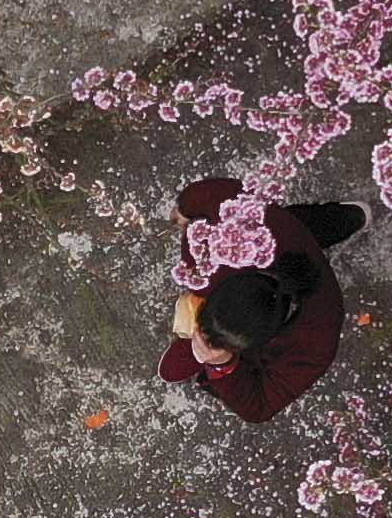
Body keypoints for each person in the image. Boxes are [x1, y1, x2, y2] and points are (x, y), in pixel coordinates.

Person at [157, 176, 368, 426]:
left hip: (288, 241)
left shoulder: (315, 343)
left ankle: (352, 217)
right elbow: (215, 193)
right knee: (306, 225)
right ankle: (351, 217)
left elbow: (258, 408)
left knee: (303, 226)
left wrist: (223, 366)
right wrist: (185, 208)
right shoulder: (244, 233)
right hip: (285, 233)